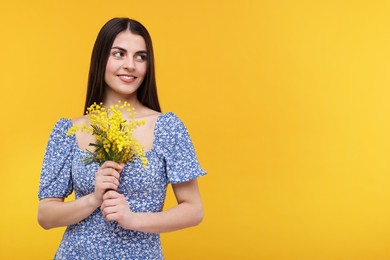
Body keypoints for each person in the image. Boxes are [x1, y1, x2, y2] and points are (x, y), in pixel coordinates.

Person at [37, 17, 206, 259]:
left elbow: (194, 210)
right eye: (119, 54)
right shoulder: (68, 131)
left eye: (141, 57)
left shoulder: (168, 127)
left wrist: (133, 219)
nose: (131, 65)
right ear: (100, 59)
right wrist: (94, 199)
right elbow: (46, 216)